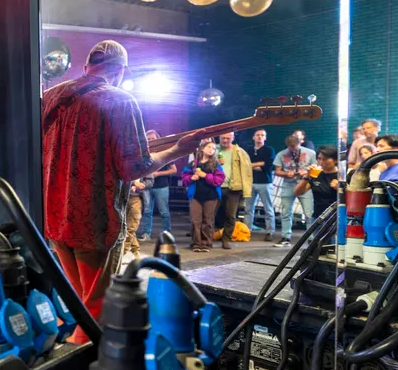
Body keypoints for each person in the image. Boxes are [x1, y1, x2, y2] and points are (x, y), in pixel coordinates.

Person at [42, 40, 196, 335]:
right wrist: (177, 150)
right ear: (122, 70)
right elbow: (134, 168)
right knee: (97, 306)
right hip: (95, 222)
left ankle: (73, 352)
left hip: (55, 216)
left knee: (77, 299)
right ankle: (86, 359)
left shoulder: (50, 96)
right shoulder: (120, 101)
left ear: (86, 66)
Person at [273, 134, 316, 247]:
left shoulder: (310, 153)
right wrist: (286, 174)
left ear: (300, 143)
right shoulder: (281, 154)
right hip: (288, 184)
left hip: (305, 184)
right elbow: (277, 171)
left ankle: (312, 239)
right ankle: (285, 237)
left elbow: (316, 169)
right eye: (290, 148)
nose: (293, 150)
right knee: (286, 212)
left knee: (309, 213)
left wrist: (306, 172)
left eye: (295, 147)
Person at [215, 132, 253, 250]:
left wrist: (245, 189)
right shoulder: (213, 150)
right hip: (215, 187)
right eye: (223, 138)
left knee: (230, 216)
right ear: (219, 137)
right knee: (209, 215)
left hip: (234, 188)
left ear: (233, 138)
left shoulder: (240, 152)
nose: (225, 140)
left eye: (228, 138)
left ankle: (226, 239)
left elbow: (247, 172)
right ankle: (205, 239)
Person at [186, 141, 224, 253]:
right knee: (195, 220)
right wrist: (191, 178)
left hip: (211, 196)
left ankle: (206, 243)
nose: (211, 149)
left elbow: (219, 180)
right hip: (195, 196)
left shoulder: (216, 164)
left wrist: (205, 176)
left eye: (213, 148)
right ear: (202, 149)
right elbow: (184, 176)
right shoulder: (193, 164)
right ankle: (196, 243)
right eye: (209, 147)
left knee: (207, 220)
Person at [245, 129, 276, 241]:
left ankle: (270, 232)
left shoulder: (269, 150)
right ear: (253, 137)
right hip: (250, 182)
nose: (259, 137)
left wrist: (252, 165)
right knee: (248, 209)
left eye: (262, 135)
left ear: (265, 138)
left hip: (265, 183)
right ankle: (246, 231)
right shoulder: (248, 150)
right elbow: (245, 165)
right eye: (257, 135)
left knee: (268, 208)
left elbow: (267, 166)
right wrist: (259, 164)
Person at [297, 145, 340, 217]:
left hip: (337, 217)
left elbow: (352, 198)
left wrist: (340, 188)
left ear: (335, 160)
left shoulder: (342, 176)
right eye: (319, 159)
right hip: (318, 216)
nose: (321, 162)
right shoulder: (316, 174)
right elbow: (298, 192)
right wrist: (307, 176)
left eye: (325, 159)